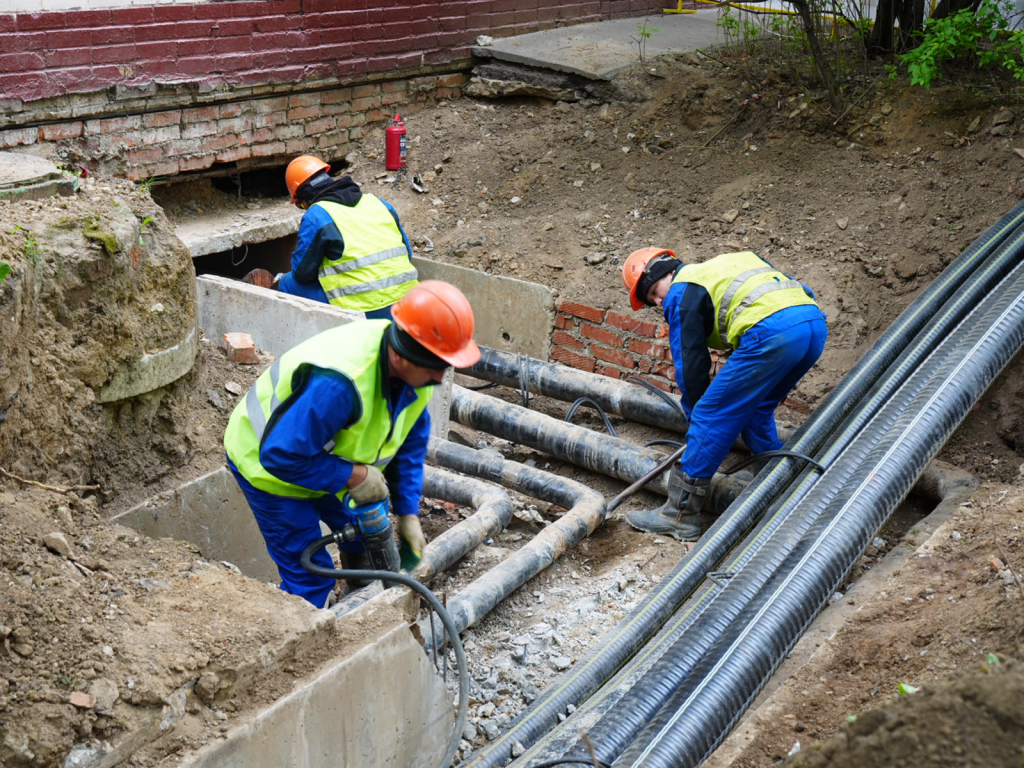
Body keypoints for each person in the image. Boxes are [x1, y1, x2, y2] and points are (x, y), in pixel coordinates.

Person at [223, 280, 480, 607]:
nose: (442, 377)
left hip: (320, 455)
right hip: (266, 465)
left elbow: (410, 445)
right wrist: (355, 476)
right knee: (312, 575)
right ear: (406, 357)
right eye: (439, 366)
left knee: (365, 528)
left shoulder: (419, 372)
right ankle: (314, 639)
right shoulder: (341, 384)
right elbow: (280, 456)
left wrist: (408, 513)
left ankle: (358, 599)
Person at [620, 247, 828, 541]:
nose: (658, 300)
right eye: (652, 300)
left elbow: (691, 365)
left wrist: (698, 419)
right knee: (758, 409)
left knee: (709, 412)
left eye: (654, 290)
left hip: (773, 332)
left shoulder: (681, 291)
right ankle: (770, 479)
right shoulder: (729, 264)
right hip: (812, 327)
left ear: (666, 271)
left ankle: (679, 515)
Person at [271, 155, 419, 320]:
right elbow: (408, 255)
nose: (304, 209)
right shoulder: (380, 204)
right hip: (408, 302)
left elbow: (302, 274)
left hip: (366, 309)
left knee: (288, 283)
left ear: (304, 197)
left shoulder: (318, 215)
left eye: (300, 205)